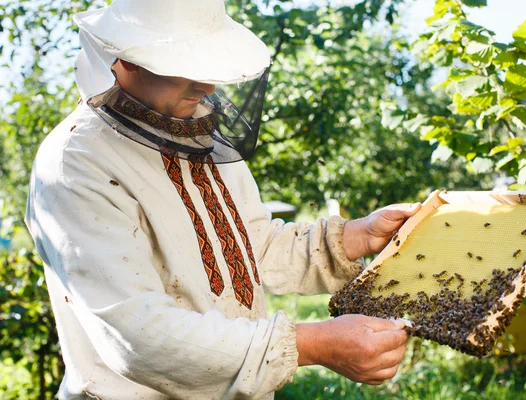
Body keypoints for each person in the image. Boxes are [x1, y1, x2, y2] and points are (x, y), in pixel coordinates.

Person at [25, 0, 421, 398]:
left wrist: (357, 236)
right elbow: (139, 334)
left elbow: (252, 246)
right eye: (185, 63)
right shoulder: (76, 164)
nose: (208, 86)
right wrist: (313, 343)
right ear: (127, 59)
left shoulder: (198, 135)